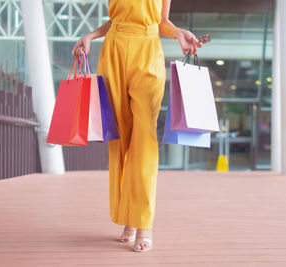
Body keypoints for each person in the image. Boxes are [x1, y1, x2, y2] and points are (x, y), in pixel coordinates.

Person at [71, 0, 202, 252]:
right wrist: (92, 34)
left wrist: (178, 32)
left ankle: (143, 222)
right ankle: (129, 216)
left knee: (144, 139)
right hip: (114, 51)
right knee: (120, 138)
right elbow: (117, 20)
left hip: (148, 52)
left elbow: (161, 21)